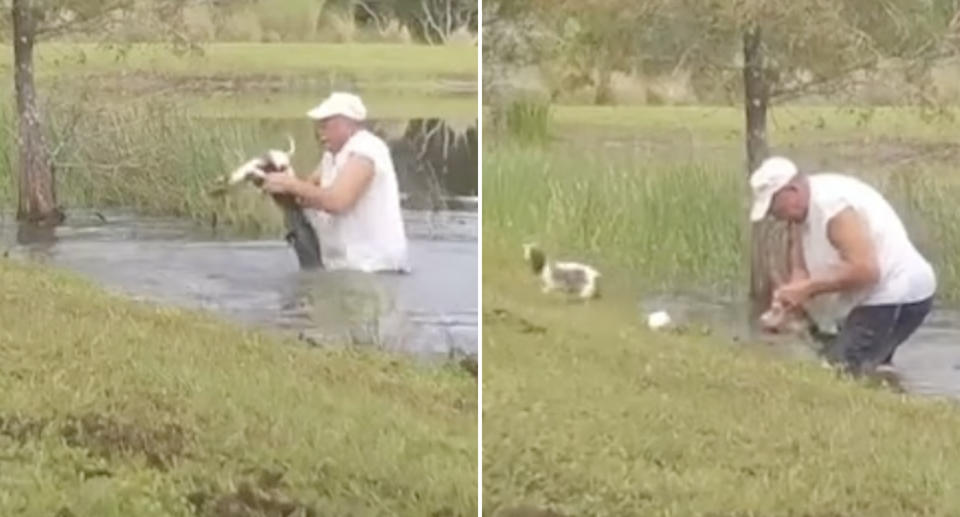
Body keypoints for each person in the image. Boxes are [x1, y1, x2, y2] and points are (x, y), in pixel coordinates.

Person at [749, 156, 936, 375]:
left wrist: (808, 288)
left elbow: (866, 271)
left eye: (774, 205)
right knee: (865, 365)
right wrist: (790, 301)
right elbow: (800, 268)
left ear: (792, 190)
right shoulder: (799, 213)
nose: (774, 214)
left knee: (836, 372)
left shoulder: (833, 208)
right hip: (866, 298)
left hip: (896, 292)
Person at [262, 91, 410, 273]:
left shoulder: (366, 150)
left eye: (326, 126)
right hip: (344, 267)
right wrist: (276, 184)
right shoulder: (331, 156)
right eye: (319, 126)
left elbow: (338, 201)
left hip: (375, 268)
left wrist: (290, 184)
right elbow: (303, 196)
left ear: (347, 124)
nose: (320, 133)